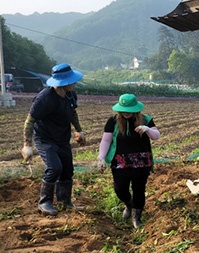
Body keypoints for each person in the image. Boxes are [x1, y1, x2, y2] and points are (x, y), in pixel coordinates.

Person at [21, 63, 86, 216]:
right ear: (63, 83)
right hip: (45, 139)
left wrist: (79, 130)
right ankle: (44, 202)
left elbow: (72, 113)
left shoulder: (70, 95)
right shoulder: (44, 99)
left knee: (67, 169)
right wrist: (27, 144)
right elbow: (30, 120)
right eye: (72, 81)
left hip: (62, 138)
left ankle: (65, 201)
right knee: (54, 167)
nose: (74, 83)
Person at [96, 94, 160, 228]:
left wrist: (147, 129)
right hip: (120, 161)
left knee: (139, 189)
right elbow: (106, 140)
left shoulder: (146, 119)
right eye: (123, 110)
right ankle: (128, 204)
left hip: (141, 161)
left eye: (129, 110)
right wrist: (101, 157)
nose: (126, 113)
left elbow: (156, 136)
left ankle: (137, 217)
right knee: (120, 188)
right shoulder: (113, 121)